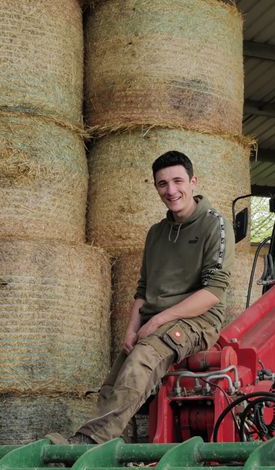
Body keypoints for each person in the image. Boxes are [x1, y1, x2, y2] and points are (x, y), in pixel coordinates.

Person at [68, 151, 233, 444]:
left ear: (193, 182)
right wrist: (132, 328)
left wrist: (158, 320)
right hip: (155, 321)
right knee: (115, 379)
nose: (171, 190)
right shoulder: (156, 233)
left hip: (197, 321)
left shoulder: (214, 225)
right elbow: (143, 289)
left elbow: (212, 294)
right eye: (162, 184)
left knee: (142, 360)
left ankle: (92, 442)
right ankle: (103, 444)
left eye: (177, 181)